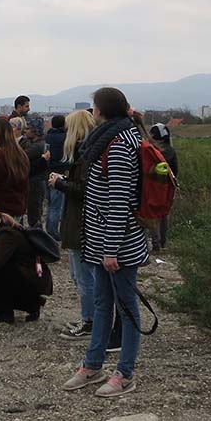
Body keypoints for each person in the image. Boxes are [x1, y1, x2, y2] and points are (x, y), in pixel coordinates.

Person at [62, 87, 149, 397]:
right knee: (101, 304)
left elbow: (119, 202)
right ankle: (93, 365)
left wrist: (110, 249)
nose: (92, 111)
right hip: (100, 243)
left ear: (101, 111)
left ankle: (125, 374)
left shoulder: (122, 144)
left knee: (126, 309)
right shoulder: (107, 140)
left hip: (118, 246)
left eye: (94, 106)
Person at [49, 109, 97, 339]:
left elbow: (86, 191)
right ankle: (90, 318)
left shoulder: (86, 156)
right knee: (81, 276)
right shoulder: (86, 154)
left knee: (85, 278)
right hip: (79, 222)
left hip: (81, 224)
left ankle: (90, 322)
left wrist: (60, 183)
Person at [0, 205, 51, 323]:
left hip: (31, 278)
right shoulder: (3, 231)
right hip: (26, 275)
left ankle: (3, 313)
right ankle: (31, 304)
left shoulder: (7, 235)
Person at [148, 123, 179, 251]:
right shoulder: (170, 151)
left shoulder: (150, 150)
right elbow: (175, 171)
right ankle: (162, 242)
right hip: (166, 188)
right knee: (163, 215)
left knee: (151, 215)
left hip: (151, 187)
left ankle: (155, 243)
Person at [44, 114, 67, 240]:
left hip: (47, 171)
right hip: (59, 172)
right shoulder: (66, 138)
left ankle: (49, 229)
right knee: (56, 205)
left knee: (50, 204)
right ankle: (53, 232)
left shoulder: (47, 137)